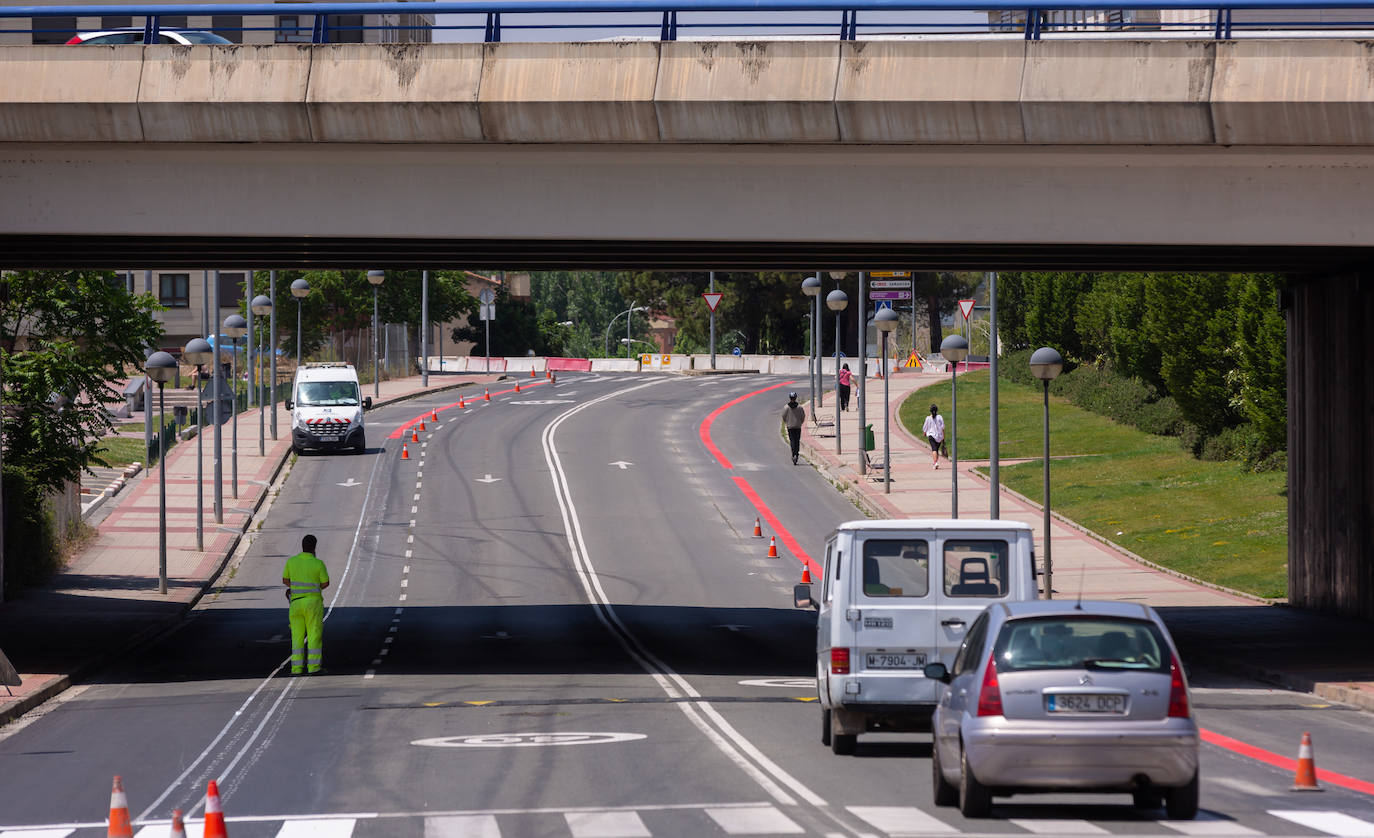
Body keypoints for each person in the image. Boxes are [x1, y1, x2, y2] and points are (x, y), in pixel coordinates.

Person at [282, 534, 330, 675]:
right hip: (313, 604)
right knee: (314, 635)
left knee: (297, 637)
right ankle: (313, 668)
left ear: (302, 546)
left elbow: (285, 580)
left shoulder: (291, 562)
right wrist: (314, 588)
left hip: (295, 604)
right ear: (314, 547)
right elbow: (325, 583)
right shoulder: (318, 563)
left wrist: (295, 588)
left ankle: (296, 669)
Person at [782, 392, 806, 465]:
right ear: (795, 398)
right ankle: (797, 454)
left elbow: (783, 416)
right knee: (797, 441)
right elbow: (803, 416)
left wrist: (787, 422)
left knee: (792, 440)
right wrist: (800, 423)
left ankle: (793, 454)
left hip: (790, 426)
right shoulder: (800, 407)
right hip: (798, 426)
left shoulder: (786, 407)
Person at [922, 403, 945, 470]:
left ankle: (935, 462)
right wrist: (943, 437)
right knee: (936, 450)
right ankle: (935, 462)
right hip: (939, 436)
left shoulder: (928, 418)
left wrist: (925, 432)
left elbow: (925, 427)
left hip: (931, 436)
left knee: (934, 449)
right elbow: (943, 427)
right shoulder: (940, 417)